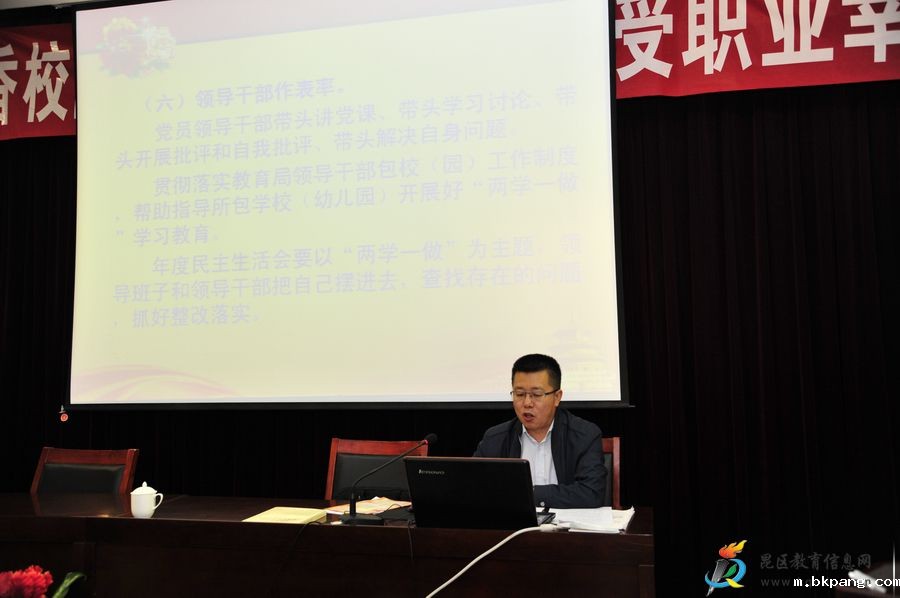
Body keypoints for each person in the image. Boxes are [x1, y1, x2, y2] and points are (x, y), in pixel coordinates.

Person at [473, 353, 606, 508]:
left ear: (557, 397)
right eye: (519, 394)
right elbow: (473, 487)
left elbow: (591, 494)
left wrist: (529, 493)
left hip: (567, 524)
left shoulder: (585, 435)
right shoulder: (495, 439)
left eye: (536, 395)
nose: (527, 403)